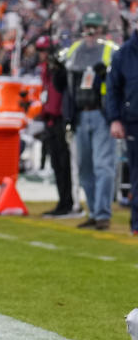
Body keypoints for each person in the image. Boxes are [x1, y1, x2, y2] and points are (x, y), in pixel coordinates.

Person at [60, 12, 118, 230]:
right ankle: (93, 211)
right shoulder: (75, 51)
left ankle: (103, 214)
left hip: (102, 113)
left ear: (103, 30)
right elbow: (64, 82)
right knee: (84, 167)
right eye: (88, 27)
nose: (91, 31)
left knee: (103, 165)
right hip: (80, 114)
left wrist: (107, 75)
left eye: (95, 27)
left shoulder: (111, 50)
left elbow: (119, 80)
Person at [35, 35, 76, 217]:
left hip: (61, 120)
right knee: (57, 164)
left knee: (65, 163)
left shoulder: (61, 69)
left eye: (44, 50)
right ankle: (62, 201)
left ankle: (69, 203)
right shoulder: (46, 70)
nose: (41, 54)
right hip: (50, 120)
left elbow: (64, 90)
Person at [106, 16, 138, 235]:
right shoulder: (123, 54)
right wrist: (115, 119)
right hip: (134, 121)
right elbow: (113, 90)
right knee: (137, 173)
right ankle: (137, 223)